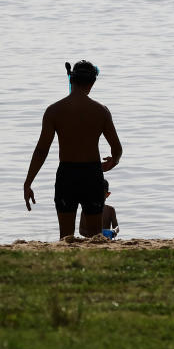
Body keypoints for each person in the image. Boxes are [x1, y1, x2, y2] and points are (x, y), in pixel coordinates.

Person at [23, 60, 122, 239]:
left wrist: (28, 182)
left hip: (67, 175)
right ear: (92, 83)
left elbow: (41, 151)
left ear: (71, 80)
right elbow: (117, 148)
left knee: (66, 238)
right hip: (92, 175)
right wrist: (113, 161)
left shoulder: (54, 111)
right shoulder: (101, 111)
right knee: (95, 238)